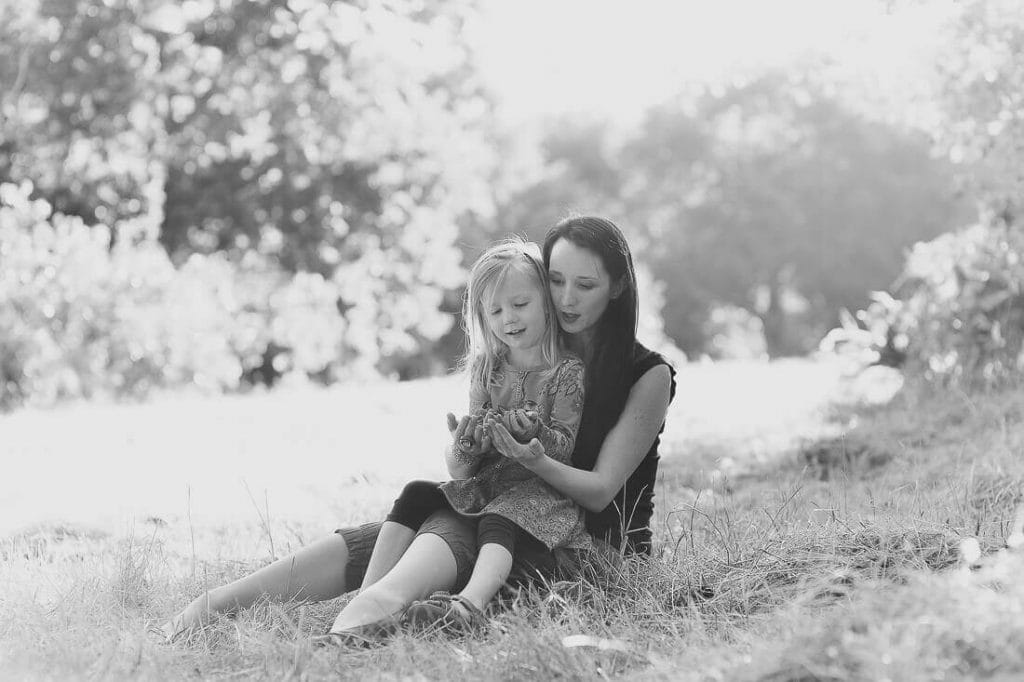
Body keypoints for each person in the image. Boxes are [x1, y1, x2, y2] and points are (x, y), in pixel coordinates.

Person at [163, 215, 675, 642]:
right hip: (499, 510)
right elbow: (469, 470)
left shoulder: (644, 374)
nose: (566, 298)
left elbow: (600, 491)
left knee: (447, 531)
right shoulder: (516, 354)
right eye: (556, 280)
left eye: (585, 285)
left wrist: (531, 456)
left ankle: (375, 616)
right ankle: (219, 603)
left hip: (582, 546)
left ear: (618, 287)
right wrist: (468, 448)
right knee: (422, 517)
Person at [328, 238, 590, 637]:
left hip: (541, 494)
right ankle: (368, 596)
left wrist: (534, 434)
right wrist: (470, 443)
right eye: (495, 310)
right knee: (417, 492)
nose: (508, 318)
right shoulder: (488, 368)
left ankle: (470, 604)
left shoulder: (566, 372)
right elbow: (468, 459)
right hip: (488, 485)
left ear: (545, 303)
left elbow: (565, 447)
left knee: (503, 514)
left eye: (520, 304)